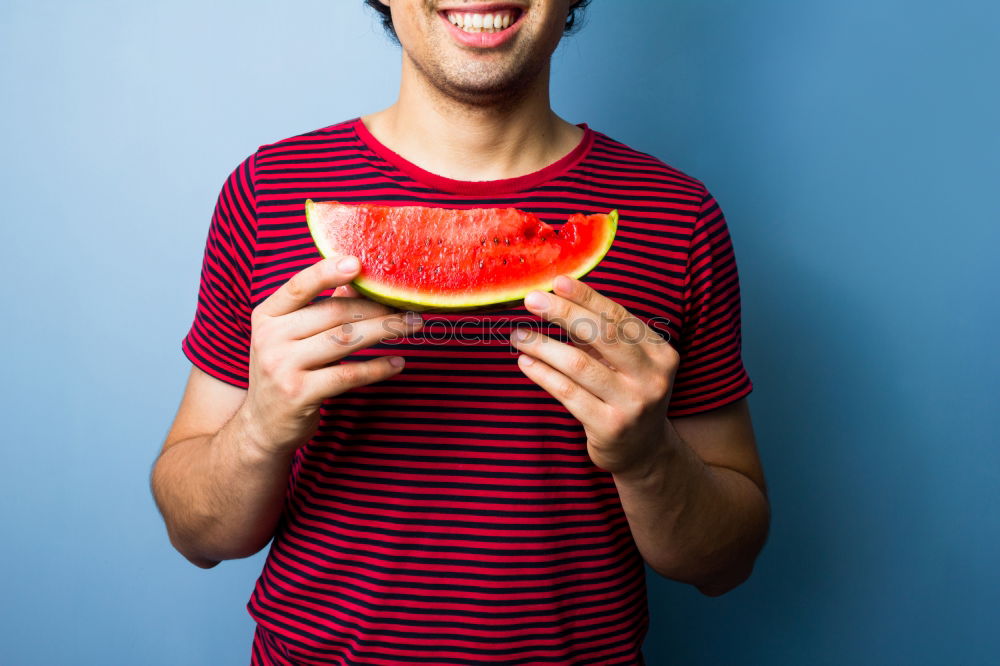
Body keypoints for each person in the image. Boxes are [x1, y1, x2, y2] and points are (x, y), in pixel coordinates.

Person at [151, 1, 771, 663]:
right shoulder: (269, 194)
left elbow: (725, 564)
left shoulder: (675, 217)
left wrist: (650, 458)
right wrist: (260, 427)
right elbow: (197, 536)